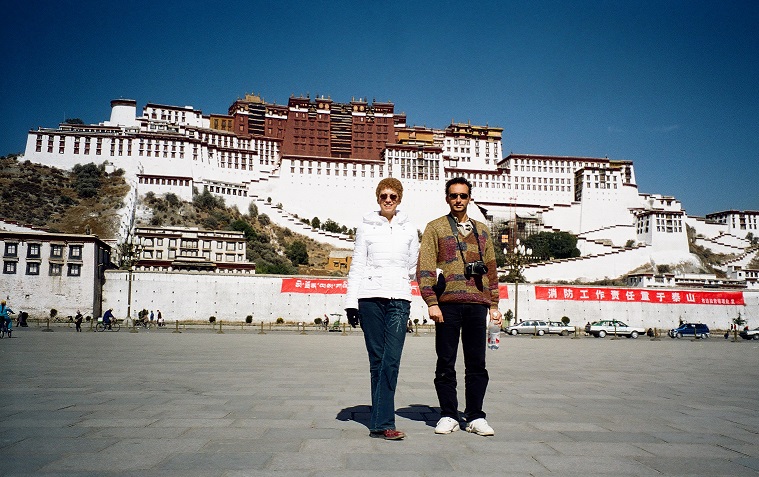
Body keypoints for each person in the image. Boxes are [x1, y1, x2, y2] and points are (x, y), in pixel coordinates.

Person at [417, 177, 502, 437]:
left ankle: (475, 415)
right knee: (446, 362)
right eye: (453, 195)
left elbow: (491, 269)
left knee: (477, 362)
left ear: (469, 198)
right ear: (447, 198)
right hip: (447, 305)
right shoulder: (436, 227)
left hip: (477, 304)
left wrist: (494, 304)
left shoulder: (482, 230)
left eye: (463, 196)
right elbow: (425, 267)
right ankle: (448, 414)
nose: (458, 200)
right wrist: (431, 301)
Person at [344, 178, 419, 441]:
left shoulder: (410, 229)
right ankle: (383, 423)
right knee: (377, 361)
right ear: (378, 198)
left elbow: (412, 267)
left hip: (399, 298)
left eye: (393, 196)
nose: (388, 200)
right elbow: (358, 267)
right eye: (383, 196)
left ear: (400, 199)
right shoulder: (365, 229)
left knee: (391, 359)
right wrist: (351, 303)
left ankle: (379, 420)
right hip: (369, 298)